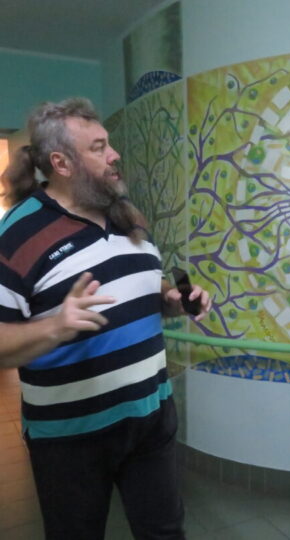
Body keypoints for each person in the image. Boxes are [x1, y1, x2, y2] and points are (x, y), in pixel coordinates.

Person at [0, 97, 212, 540]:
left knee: (164, 533)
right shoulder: (16, 234)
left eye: (108, 143)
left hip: (151, 413)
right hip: (70, 435)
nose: (114, 155)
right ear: (61, 163)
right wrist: (56, 326)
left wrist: (172, 299)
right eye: (98, 148)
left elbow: (142, 286)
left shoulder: (126, 213)